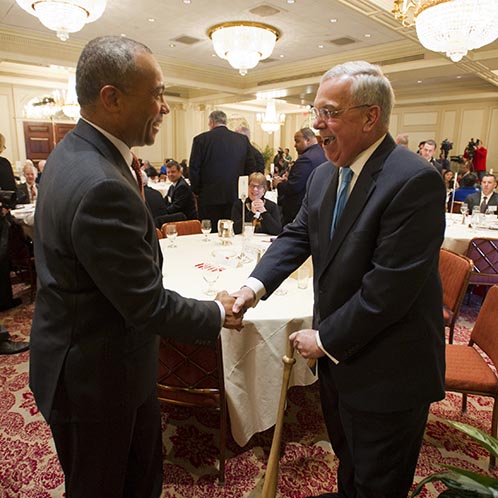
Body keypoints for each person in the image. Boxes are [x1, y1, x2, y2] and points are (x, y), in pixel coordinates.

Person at [29, 36, 242, 498]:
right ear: (112, 98)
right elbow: (146, 305)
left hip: (96, 359)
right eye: (158, 93)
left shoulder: (74, 153)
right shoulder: (100, 183)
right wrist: (217, 312)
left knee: (138, 478)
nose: (165, 107)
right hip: (97, 381)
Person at [232, 61, 446, 498]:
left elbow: (388, 292)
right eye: (316, 111)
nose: (317, 124)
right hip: (339, 365)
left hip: (390, 370)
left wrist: (325, 338)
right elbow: (296, 236)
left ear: (371, 116)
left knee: (379, 482)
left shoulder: (414, 180)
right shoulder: (325, 173)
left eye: (329, 112)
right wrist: (252, 288)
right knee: (349, 464)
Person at [189, 110, 256, 230]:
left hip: (209, 196)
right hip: (235, 195)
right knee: (233, 231)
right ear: (225, 122)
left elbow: (194, 169)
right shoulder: (242, 140)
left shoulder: (201, 140)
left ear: (211, 123)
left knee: (210, 232)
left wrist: (197, 191)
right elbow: (250, 167)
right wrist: (243, 190)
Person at [273, 127, 326, 225]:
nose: (294, 145)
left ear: (308, 140)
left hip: (299, 210)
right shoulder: (322, 153)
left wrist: (278, 184)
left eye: (297, 141)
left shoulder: (306, 159)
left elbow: (294, 187)